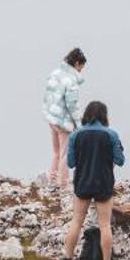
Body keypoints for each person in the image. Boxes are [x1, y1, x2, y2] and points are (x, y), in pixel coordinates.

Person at [62, 100, 129, 260]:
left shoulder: (76, 135)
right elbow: (120, 161)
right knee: (105, 225)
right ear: (104, 116)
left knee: (76, 221)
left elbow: (70, 163)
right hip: (104, 183)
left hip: (82, 182)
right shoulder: (111, 135)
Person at [43, 48, 87, 190]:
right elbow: (72, 105)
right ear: (76, 63)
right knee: (65, 153)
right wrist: (79, 124)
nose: (82, 70)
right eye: (81, 66)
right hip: (64, 122)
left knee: (56, 152)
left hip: (52, 119)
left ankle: (52, 181)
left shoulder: (54, 74)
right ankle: (62, 184)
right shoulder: (71, 80)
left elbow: (48, 96)